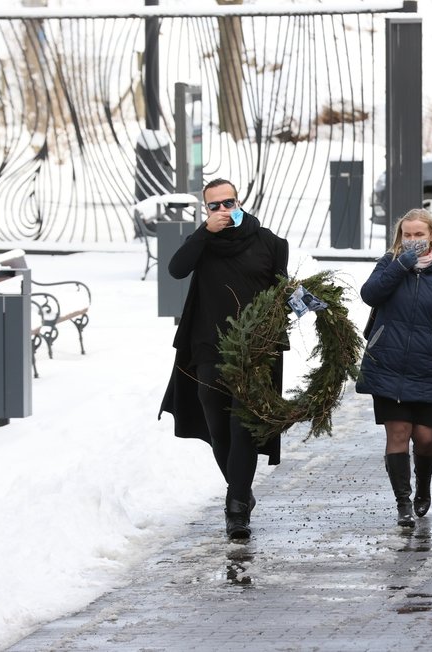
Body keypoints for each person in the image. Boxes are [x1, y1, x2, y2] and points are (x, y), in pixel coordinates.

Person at [159, 178, 289, 540]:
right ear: (206, 210)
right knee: (217, 426)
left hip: (253, 352)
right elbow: (176, 269)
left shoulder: (270, 243)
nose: (221, 211)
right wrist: (203, 233)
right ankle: (242, 490)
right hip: (207, 346)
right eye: (213, 205)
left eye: (227, 203)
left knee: (242, 427)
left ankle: (235, 511)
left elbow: (281, 290)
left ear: (239, 202)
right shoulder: (202, 243)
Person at [356, 208, 432, 529]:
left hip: (426, 365)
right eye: (407, 235)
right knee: (398, 433)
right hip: (386, 363)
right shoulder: (389, 264)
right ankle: (403, 503)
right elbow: (369, 294)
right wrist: (400, 266)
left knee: (424, 438)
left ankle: (422, 485)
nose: (412, 240)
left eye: (419, 235)